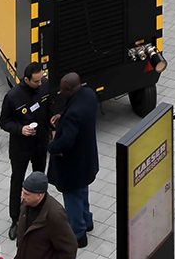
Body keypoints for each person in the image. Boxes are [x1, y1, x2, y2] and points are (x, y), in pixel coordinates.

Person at [45, 74, 98, 248]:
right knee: (83, 192)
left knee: (72, 198)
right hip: (87, 159)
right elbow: (79, 117)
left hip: (72, 166)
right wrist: (63, 117)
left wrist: (51, 147)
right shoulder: (88, 95)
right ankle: (87, 220)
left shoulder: (73, 114)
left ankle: (78, 234)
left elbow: (66, 141)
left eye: (62, 89)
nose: (60, 92)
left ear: (68, 89)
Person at [0, 64, 51, 237]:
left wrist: (52, 125)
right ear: (26, 79)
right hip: (21, 147)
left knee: (40, 179)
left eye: (41, 79)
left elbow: (49, 108)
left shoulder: (44, 86)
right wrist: (20, 129)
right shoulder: (13, 96)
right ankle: (15, 219)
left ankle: (41, 213)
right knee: (17, 182)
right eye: (36, 81)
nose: (40, 83)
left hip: (40, 144)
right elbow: (4, 122)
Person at [12, 171, 77, 259]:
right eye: (23, 192)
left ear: (39, 195)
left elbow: (69, 248)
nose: (22, 197)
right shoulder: (25, 203)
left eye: (27, 194)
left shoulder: (55, 215)